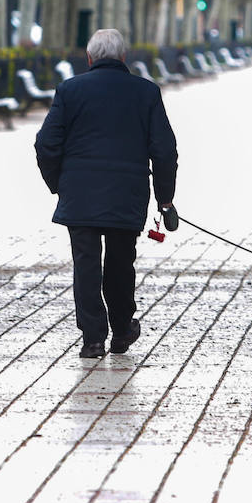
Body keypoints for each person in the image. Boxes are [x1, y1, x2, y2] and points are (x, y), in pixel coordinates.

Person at [34, 29, 178, 359]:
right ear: (124, 58)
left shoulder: (70, 90)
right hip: (126, 193)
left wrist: (59, 183)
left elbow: (46, 144)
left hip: (80, 194)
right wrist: (165, 198)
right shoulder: (146, 92)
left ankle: (93, 338)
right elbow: (165, 150)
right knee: (120, 262)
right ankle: (123, 328)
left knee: (85, 264)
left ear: (90, 58)